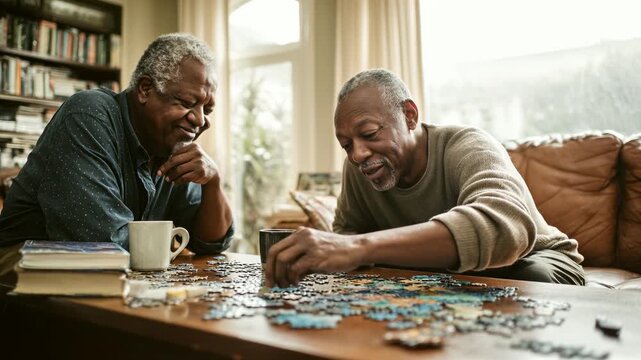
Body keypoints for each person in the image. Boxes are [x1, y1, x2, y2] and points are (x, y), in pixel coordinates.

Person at [265, 68, 585, 288]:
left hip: (535, 262)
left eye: (369, 134)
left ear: (409, 115)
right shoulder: (358, 169)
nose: (357, 154)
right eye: (346, 144)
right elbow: (348, 234)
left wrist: (360, 247)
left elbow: (505, 226)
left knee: (531, 281)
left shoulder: (468, 145)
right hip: (444, 279)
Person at [0, 33, 234, 274]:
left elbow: (211, 242)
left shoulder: (171, 145)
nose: (200, 120)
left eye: (207, 109)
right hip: (24, 268)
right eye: (186, 103)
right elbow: (102, 242)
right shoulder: (89, 115)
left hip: (114, 275)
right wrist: (168, 246)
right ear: (145, 89)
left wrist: (213, 182)